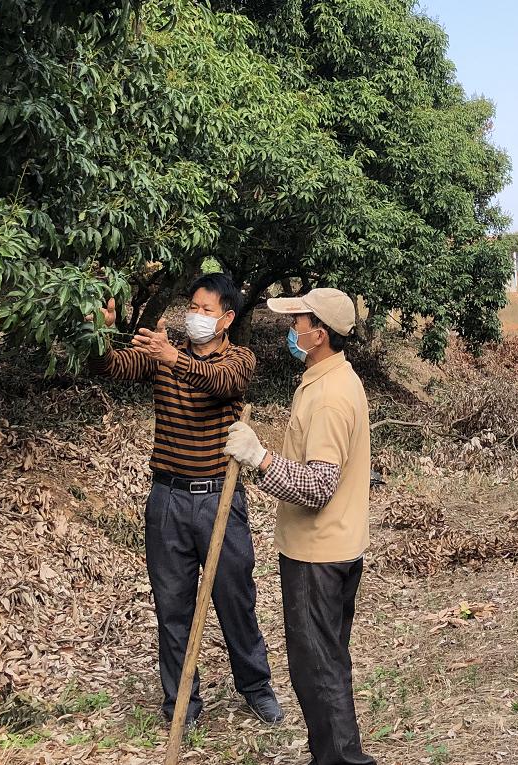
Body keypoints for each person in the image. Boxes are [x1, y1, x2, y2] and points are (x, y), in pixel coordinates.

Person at [88, 273, 283, 728]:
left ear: (227, 318)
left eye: (205, 310)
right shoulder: (162, 354)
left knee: (235, 599)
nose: (195, 316)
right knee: (172, 605)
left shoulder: (240, 359)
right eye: (191, 307)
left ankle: (255, 686)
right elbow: (111, 368)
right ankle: (182, 703)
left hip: (220, 497)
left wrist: (172, 356)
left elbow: (220, 385)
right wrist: (99, 333)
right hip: (168, 499)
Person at [223, 287, 376, 765]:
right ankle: (329, 755)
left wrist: (260, 459)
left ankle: (344, 761)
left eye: (299, 323)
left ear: (321, 334)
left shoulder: (330, 395)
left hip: (319, 554)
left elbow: (317, 487)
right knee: (326, 662)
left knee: (318, 670)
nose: (293, 331)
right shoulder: (324, 378)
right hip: (330, 546)